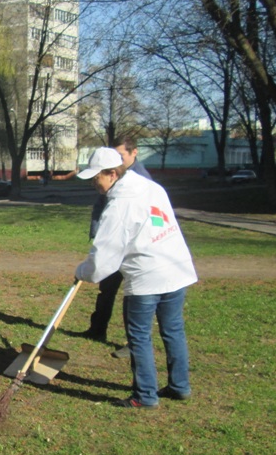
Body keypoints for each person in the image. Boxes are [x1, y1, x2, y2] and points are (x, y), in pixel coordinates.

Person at [74, 147, 196, 408]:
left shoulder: (119, 204)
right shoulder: (152, 187)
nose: (94, 183)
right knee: (173, 329)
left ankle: (145, 396)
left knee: (139, 337)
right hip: (176, 269)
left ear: (112, 173)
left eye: (96, 177)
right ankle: (179, 386)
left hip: (147, 277)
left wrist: (82, 271)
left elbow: (104, 258)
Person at [77, 138, 153, 358]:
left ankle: (133, 342)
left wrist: (87, 268)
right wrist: (97, 234)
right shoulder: (108, 181)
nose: (118, 159)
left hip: (131, 250)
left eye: (121, 155)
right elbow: (100, 207)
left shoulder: (140, 182)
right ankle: (97, 328)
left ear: (134, 153)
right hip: (111, 242)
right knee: (107, 289)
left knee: (133, 296)